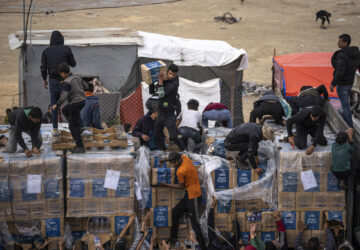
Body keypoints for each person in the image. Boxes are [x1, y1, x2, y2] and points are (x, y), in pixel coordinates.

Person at [159, 152, 206, 250]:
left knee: (195, 223)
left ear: (178, 160)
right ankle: (173, 239)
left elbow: (181, 186)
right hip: (188, 194)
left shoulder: (180, 171)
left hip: (195, 196)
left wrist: (166, 185)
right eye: (171, 162)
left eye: (173, 163)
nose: (172, 165)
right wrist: (164, 159)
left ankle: (202, 247)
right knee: (175, 212)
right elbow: (175, 156)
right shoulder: (185, 158)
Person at [41, 30, 76, 135]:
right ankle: (74, 126)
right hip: (66, 80)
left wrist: (44, 79)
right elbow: (73, 64)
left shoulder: (46, 51)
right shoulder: (66, 49)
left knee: (54, 105)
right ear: (62, 39)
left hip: (52, 81)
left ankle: (55, 129)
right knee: (71, 102)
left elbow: (43, 67)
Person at [52, 63, 88, 153]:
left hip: (75, 103)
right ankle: (79, 126)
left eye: (60, 74)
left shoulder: (66, 82)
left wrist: (57, 104)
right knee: (65, 110)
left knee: (72, 126)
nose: (61, 76)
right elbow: (87, 87)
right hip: (82, 102)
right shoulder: (78, 76)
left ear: (63, 73)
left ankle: (80, 147)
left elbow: (64, 96)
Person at [149, 64, 184, 151]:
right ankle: (163, 151)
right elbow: (151, 91)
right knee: (157, 133)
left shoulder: (175, 83)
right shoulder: (164, 79)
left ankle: (184, 150)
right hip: (161, 112)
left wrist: (160, 81)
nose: (172, 76)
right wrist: (152, 81)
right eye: (170, 73)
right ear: (167, 71)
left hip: (169, 114)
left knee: (173, 136)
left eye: (174, 74)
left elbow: (161, 95)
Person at [330, 34, 360, 128]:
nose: (338, 42)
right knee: (346, 103)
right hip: (350, 82)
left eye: (340, 41)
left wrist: (333, 83)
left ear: (345, 43)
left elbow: (340, 71)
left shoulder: (342, 55)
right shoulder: (356, 53)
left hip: (342, 83)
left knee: (345, 105)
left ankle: (349, 127)